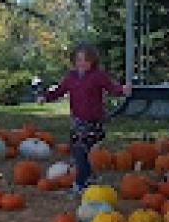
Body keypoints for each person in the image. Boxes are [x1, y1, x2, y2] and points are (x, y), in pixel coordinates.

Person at [43, 44, 128, 191]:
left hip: (93, 121)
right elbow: (60, 91)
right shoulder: (71, 77)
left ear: (93, 61)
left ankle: (81, 183)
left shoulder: (98, 76)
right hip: (77, 120)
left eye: (85, 60)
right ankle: (87, 177)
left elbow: (111, 87)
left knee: (82, 150)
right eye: (78, 60)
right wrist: (46, 96)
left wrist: (122, 90)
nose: (81, 63)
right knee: (79, 151)